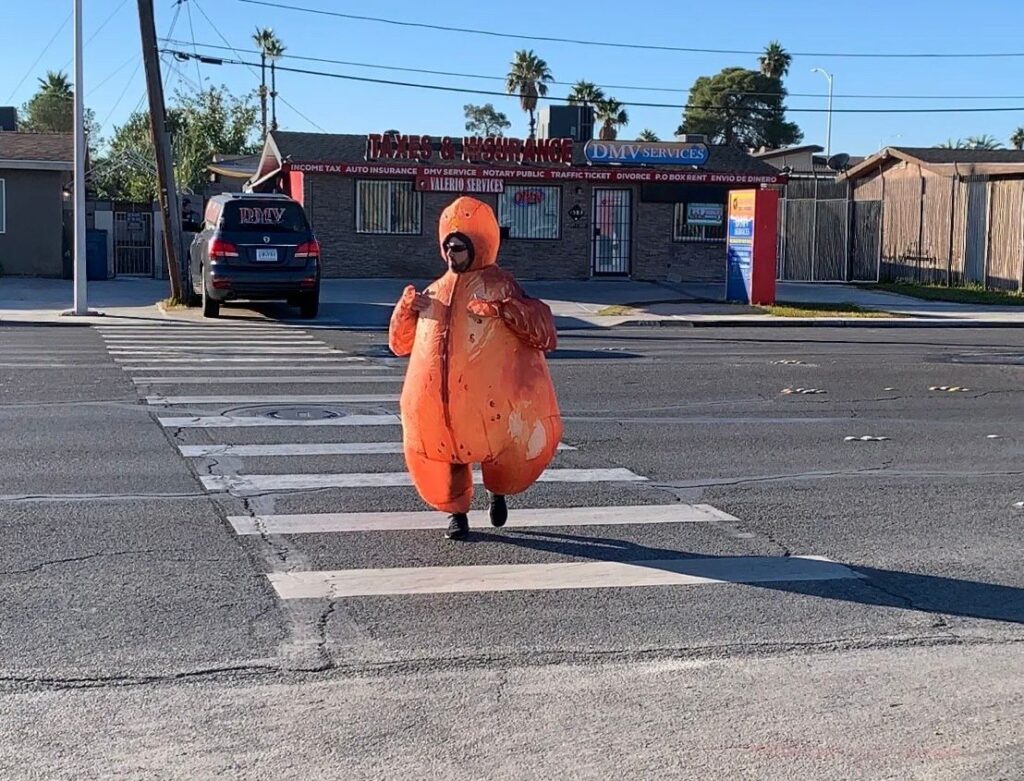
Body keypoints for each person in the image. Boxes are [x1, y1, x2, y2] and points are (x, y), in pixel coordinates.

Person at [389, 196, 563, 540]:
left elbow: (544, 331)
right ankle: (457, 515)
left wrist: (504, 310)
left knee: (499, 449)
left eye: (459, 248)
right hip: (445, 402)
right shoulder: (434, 290)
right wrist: (407, 309)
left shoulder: (502, 285)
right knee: (448, 451)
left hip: (494, 398)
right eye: (448, 248)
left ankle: (498, 492)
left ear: (477, 245)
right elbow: (400, 344)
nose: (453, 256)